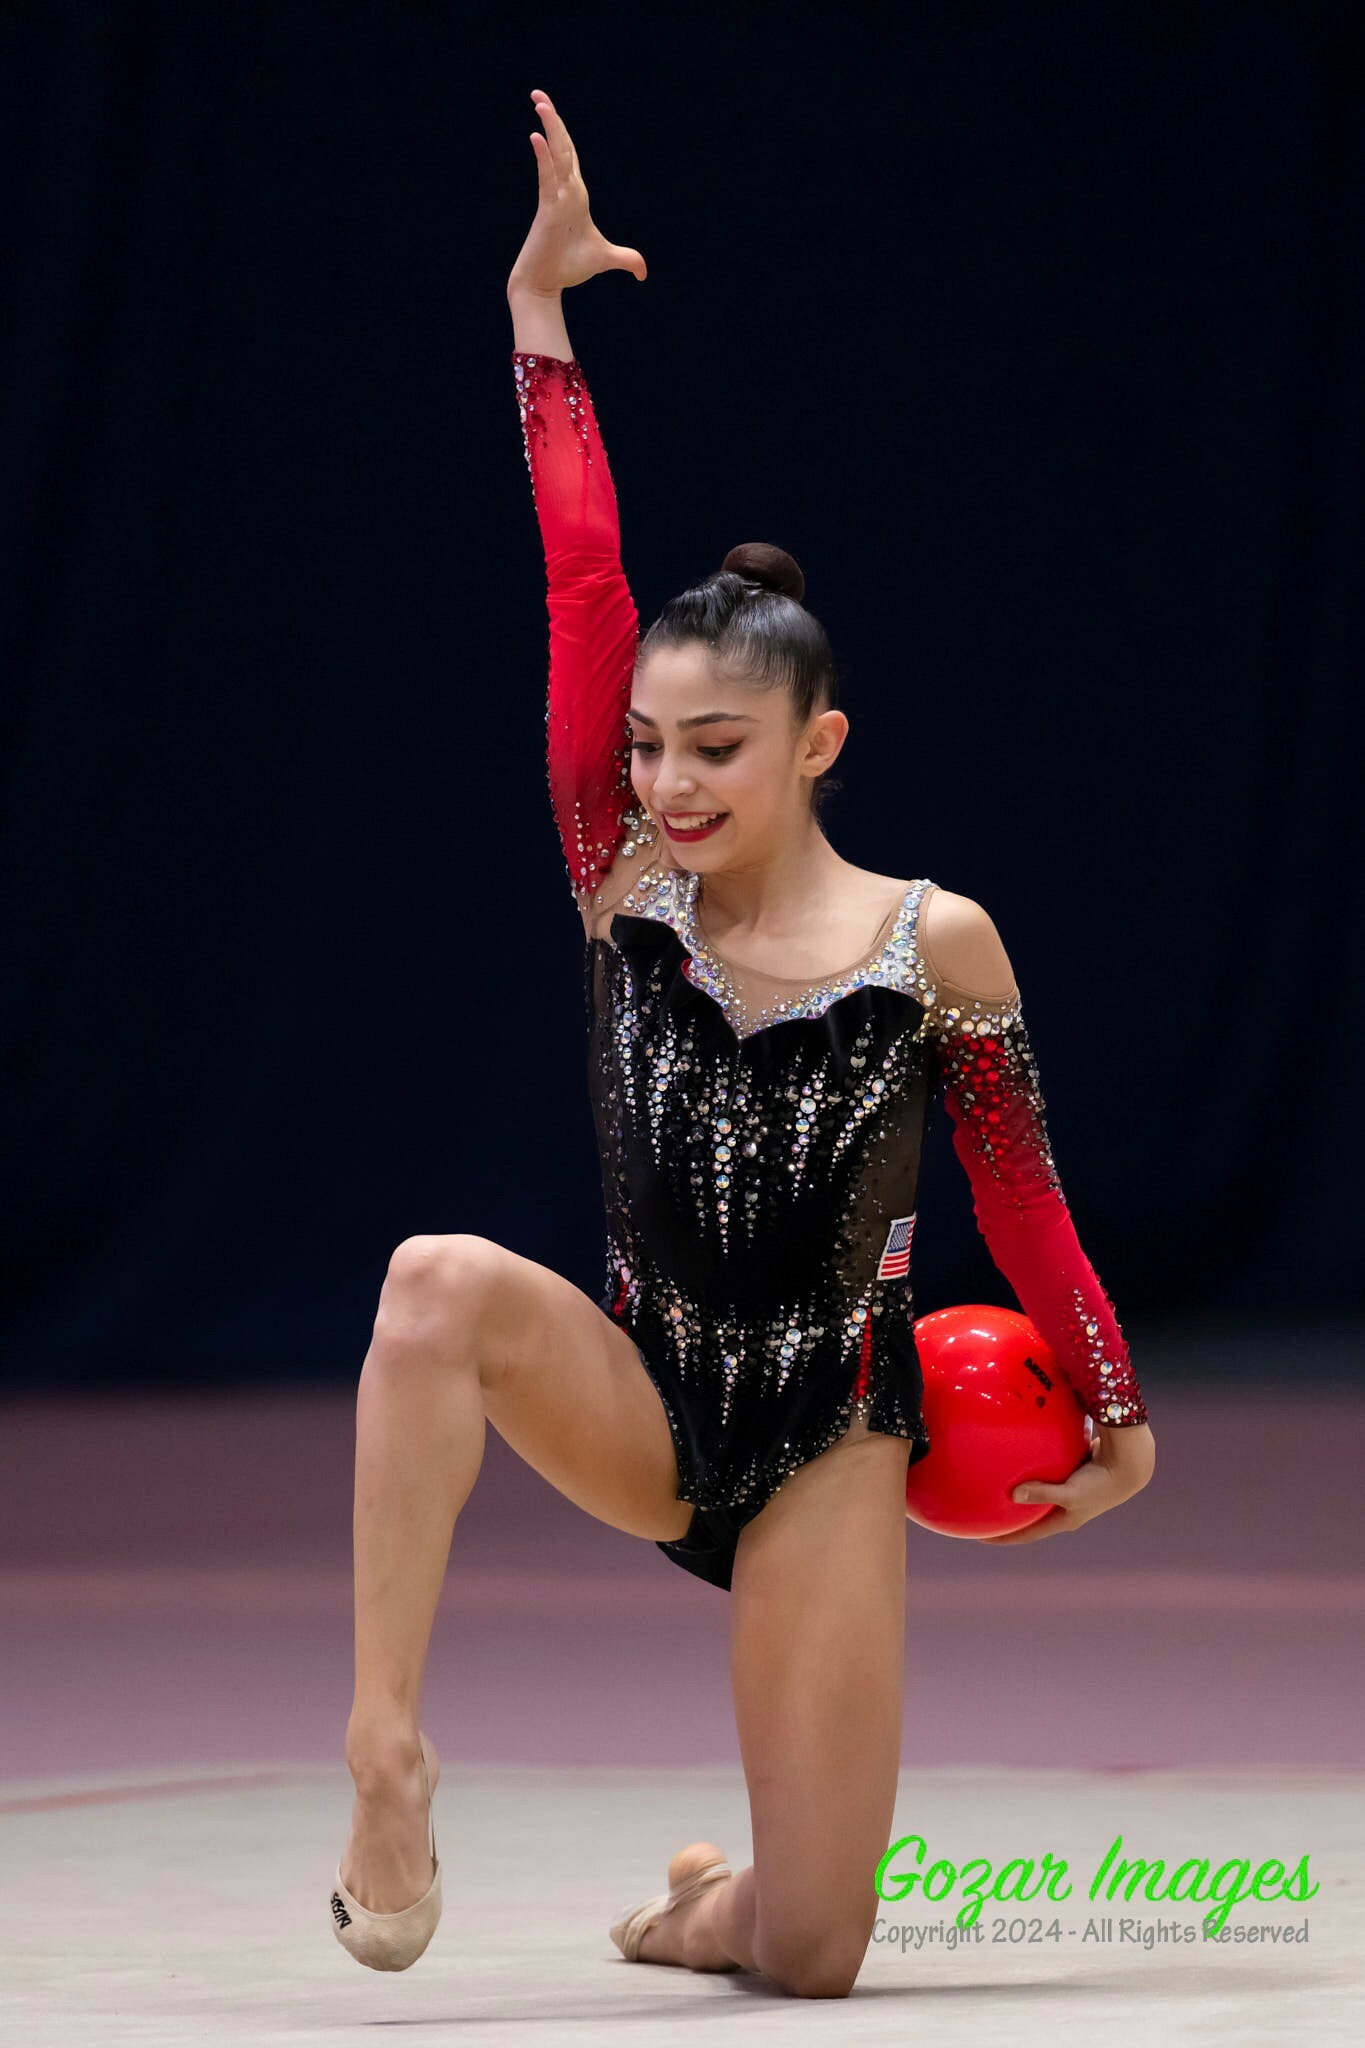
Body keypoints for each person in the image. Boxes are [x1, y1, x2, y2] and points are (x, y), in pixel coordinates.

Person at [329, 87, 1156, 1999]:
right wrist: (538, 313)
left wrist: (1114, 1418)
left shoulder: (934, 942)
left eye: (714, 749)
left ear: (815, 744)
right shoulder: (620, 877)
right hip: (653, 1389)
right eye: (647, 747)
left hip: (833, 1434)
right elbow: (580, 574)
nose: (670, 782)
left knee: (813, 1953)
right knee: (432, 1282)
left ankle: (694, 1902)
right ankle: (382, 1753)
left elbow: (1021, 1198)